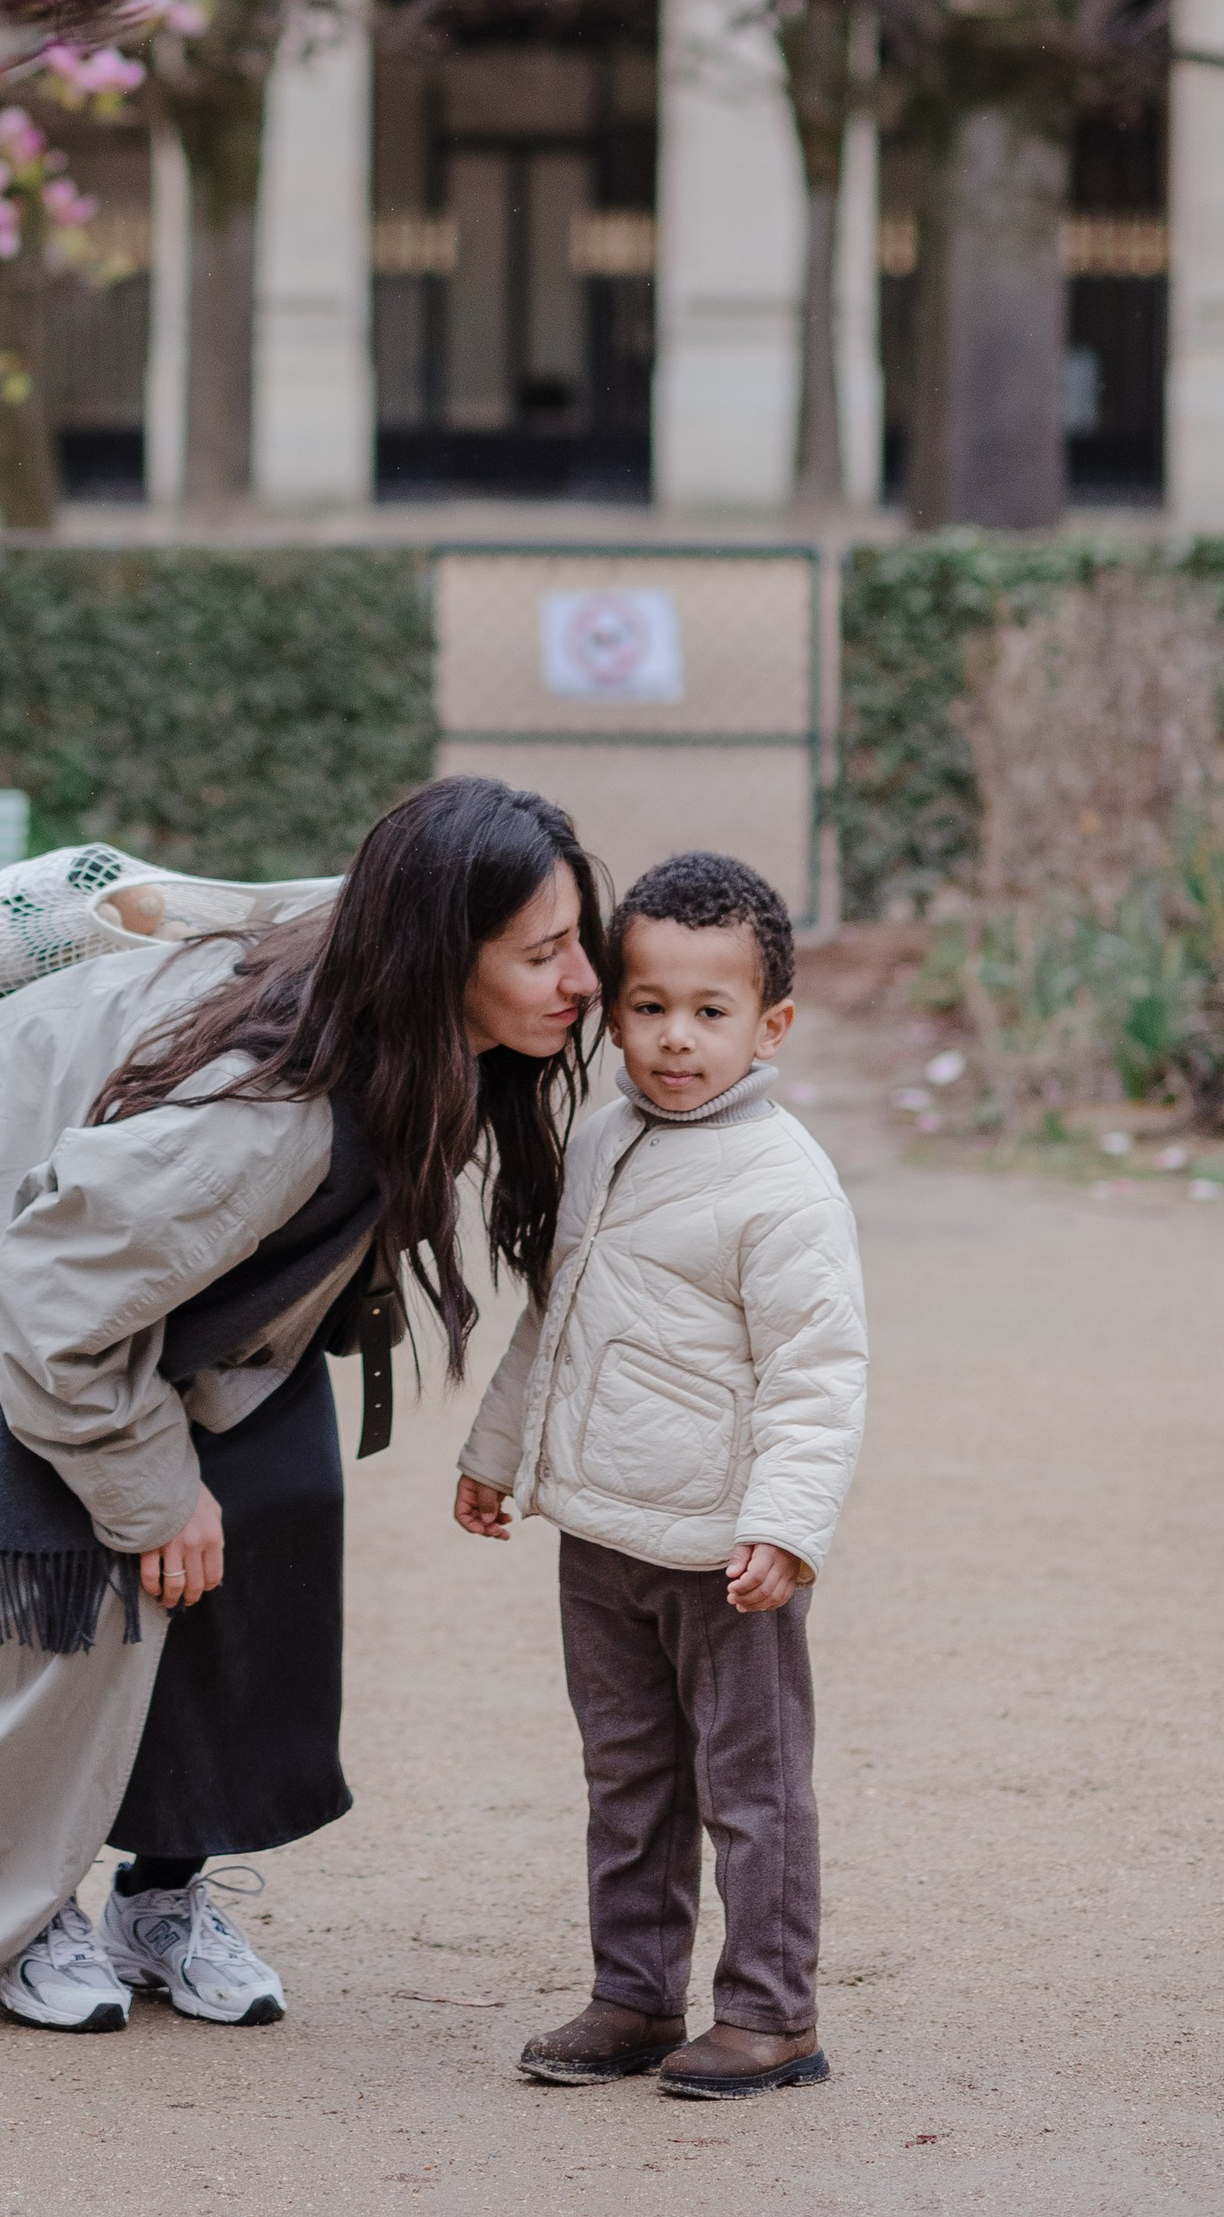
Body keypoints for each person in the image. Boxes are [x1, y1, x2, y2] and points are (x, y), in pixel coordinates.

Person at [0, 773, 603, 2030]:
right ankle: (19, 1913)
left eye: (577, 937)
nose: (577, 976)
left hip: (126, 1246)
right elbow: (46, 1304)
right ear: (438, 957)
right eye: (543, 953)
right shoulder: (271, 1116)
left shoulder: (396, 993)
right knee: (47, 1560)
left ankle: (161, 1896)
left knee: (273, 1503)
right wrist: (149, 1496)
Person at [453, 848, 866, 2102]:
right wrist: (495, 1452)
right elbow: (555, 1311)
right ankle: (633, 1994)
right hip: (599, 1533)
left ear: (770, 1023)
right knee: (627, 1777)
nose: (674, 1039)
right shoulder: (602, 1135)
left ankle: (770, 2011)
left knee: (750, 1788)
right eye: (647, 1006)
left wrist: (785, 1526)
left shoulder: (782, 1183)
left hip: (721, 1552)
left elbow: (816, 1371)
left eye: (709, 1010)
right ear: (614, 1004)